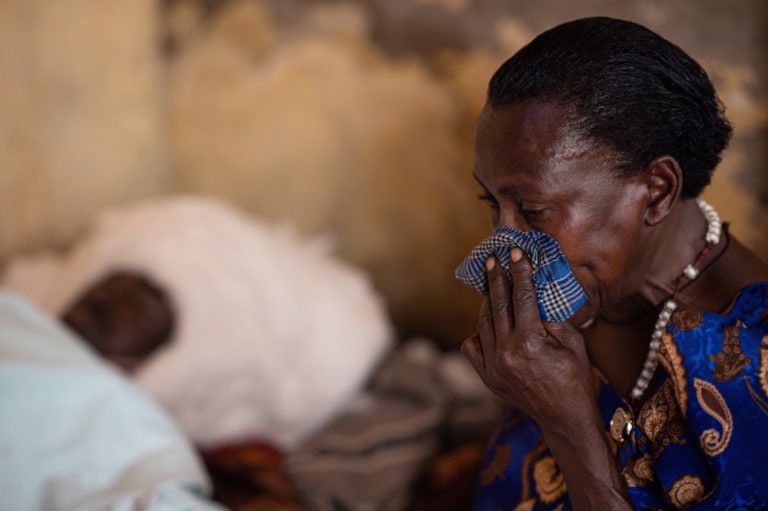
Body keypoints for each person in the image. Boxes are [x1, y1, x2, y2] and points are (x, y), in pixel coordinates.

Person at [457, 17, 768, 510]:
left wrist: (570, 427)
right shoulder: (575, 306)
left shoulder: (753, 365)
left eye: (534, 211)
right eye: (493, 202)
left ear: (657, 191)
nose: (504, 243)